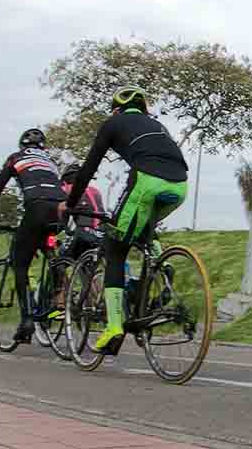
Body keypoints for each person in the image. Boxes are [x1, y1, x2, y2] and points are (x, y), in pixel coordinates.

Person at [64, 87, 189, 354]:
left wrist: (71, 203)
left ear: (116, 108)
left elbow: (87, 169)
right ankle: (154, 276)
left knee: (114, 247)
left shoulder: (113, 122)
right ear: (143, 108)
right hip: (179, 187)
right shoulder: (157, 125)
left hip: (146, 181)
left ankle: (114, 328)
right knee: (141, 231)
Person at [0, 129, 66, 344]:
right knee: (48, 246)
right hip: (61, 209)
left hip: (36, 207)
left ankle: (26, 320)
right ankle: (57, 298)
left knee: (20, 262)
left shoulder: (15, 158)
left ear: (22, 145)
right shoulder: (50, 162)